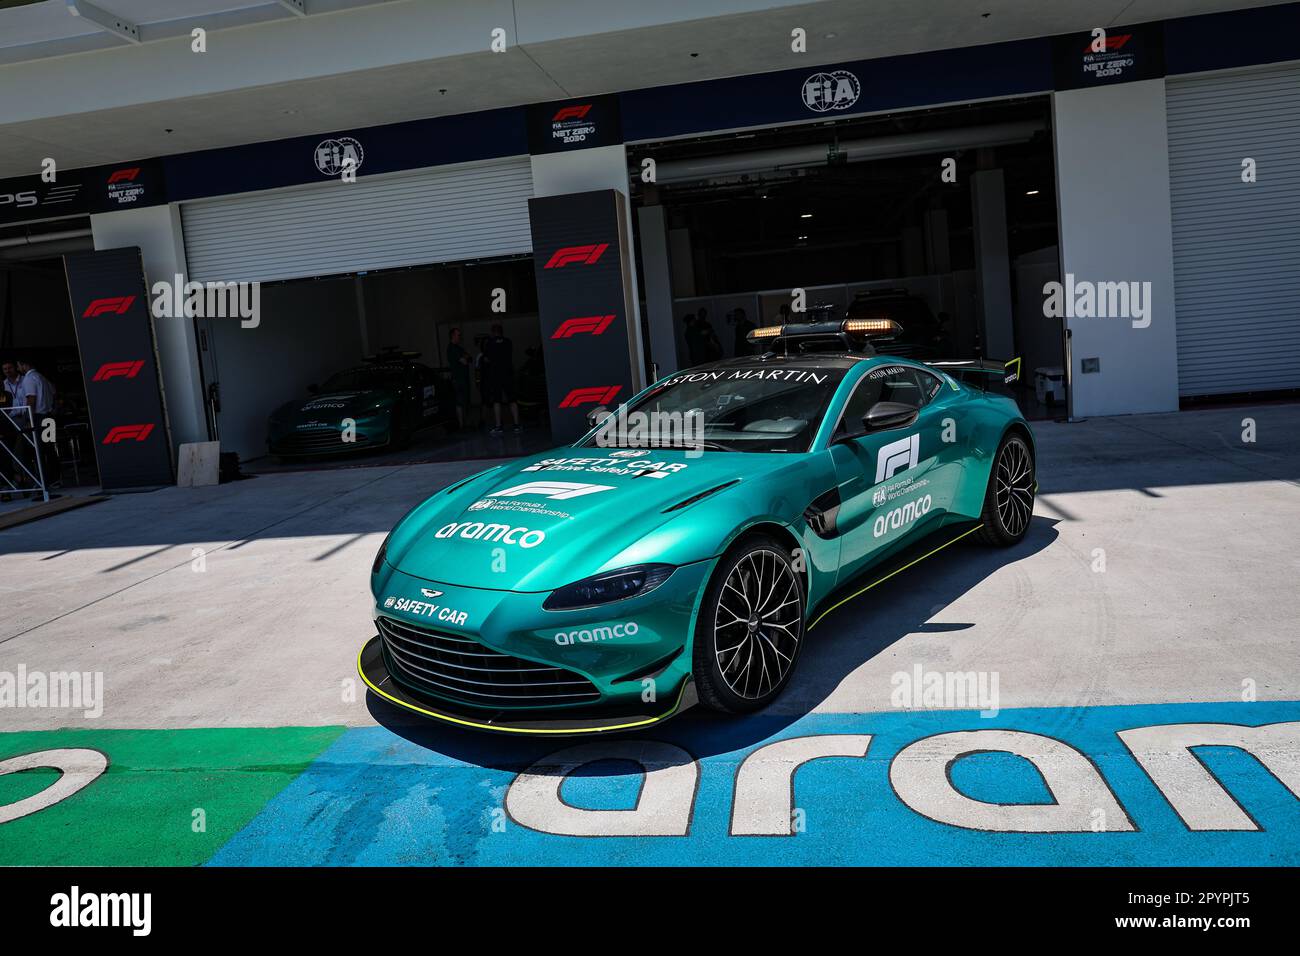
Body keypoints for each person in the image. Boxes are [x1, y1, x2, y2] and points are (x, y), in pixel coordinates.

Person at [16, 356, 58, 494]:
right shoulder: (42, 378)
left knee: (38, 450)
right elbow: (54, 392)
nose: (18, 368)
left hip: (38, 417)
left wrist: (29, 419)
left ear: (24, 365)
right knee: (50, 448)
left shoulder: (29, 379)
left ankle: (43, 481)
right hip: (49, 416)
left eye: (18, 365)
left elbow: (31, 398)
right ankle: (54, 479)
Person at [479, 323, 521, 435]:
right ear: (502, 332)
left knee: (497, 401)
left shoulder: (490, 343)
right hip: (508, 374)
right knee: (512, 399)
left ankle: (498, 427)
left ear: (493, 332)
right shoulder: (508, 342)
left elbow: (486, 359)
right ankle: (516, 425)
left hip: (495, 375)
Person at [445, 327, 472, 428]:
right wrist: (465, 358)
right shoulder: (451, 348)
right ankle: (461, 425)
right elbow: (464, 361)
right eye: (458, 335)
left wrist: (465, 358)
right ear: (453, 335)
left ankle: (465, 423)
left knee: (465, 401)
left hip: (463, 378)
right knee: (460, 402)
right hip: (458, 378)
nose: (460, 337)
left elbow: (470, 358)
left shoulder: (459, 348)